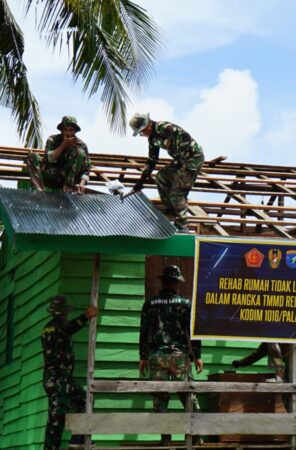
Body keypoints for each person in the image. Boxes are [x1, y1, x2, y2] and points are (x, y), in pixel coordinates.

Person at [138, 265, 203, 446]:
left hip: (157, 356)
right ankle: (195, 437)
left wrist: (143, 356)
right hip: (179, 355)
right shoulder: (186, 304)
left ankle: (165, 440)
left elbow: (144, 332)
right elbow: (192, 332)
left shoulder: (150, 304)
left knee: (160, 398)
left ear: (163, 281)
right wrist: (197, 355)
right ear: (176, 283)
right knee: (188, 396)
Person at [128, 113, 205, 232]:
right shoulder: (152, 139)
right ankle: (171, 208)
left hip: (192, 159)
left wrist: (183, 165)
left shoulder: (164, 127)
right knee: (161, 177)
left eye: (141, 132)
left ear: (146, 126)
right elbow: (152, 161)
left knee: (177, 191)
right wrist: (139, 183)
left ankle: (182, 223)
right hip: (180, 160)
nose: (142, 135)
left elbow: (185, 137)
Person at [41, 295, 98, 450]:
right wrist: (85, 316)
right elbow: (68, 328)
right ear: (63, 312)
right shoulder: (58, 326)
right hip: (58, 380)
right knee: (56, 421)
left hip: (61, 380)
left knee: (84, 401)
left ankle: (78, 438)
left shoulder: (48, 327)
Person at [26, 115, 92, 194]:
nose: (68, 133)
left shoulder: (81, 145)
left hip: (67, 178)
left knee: (79, 152)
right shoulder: (53, 140)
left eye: (71, 130)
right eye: (65, 130)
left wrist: (82, 184)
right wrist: (64, 144)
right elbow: (48, 158)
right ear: (61, 130)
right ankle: (40, 190)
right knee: (32, 156)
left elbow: (87, 169)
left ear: (75, 132)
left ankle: (68, 188)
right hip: (50, 174)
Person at [232, 343, 296, 383]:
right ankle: (281, 375)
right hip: (291, 365)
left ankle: (280, 375)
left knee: (273, 345)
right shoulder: (271, 339)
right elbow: (257, 354)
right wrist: (240, 363)